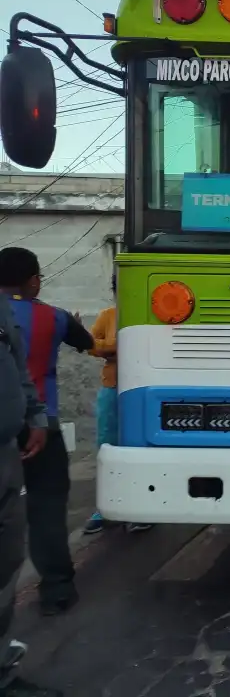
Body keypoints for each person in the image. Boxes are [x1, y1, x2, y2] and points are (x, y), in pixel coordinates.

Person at [0, 248, 93, 617]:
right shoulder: (53, 317)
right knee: (47, 509)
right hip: (41, 427)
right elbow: (87, 343)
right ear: (34, 280)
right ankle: (56, 591)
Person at [0, 286, 63, 695]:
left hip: (6, 449)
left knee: (6, 564)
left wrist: (34, 414)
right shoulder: (52, 315)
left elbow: (15, 363)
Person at [83, 275, 150, 535]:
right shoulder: (108, 315)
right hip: (112, 388)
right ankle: (105, 508)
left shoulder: (149, 314)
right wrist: (115, 347)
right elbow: (89, 345)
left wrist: (108, 348)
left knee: (138, 448)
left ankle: (138, 509)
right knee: (107, 445)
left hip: (142, 388)